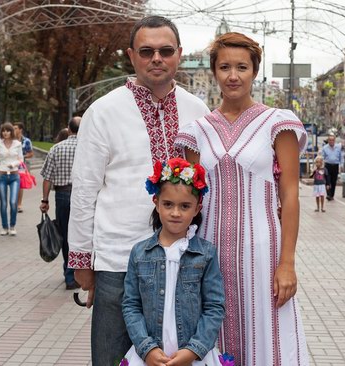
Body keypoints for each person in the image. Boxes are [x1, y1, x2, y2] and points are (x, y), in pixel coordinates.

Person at [67, 15, 210, 365]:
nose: (156, 58)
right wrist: (81, 260)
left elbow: (211, 184)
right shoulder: (103, 111)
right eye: (146, 51)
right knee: (112, 356)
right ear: (131, 56)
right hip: (119, 260)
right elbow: (84, 190)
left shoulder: (198, 112)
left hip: (184, 261)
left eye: (165, 50)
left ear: (179, 54)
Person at [175, 32, 309, 366]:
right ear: (214, 72)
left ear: (254, 71)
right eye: (224, 67)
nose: (233, 75)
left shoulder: (278, 124)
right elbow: (192, 201)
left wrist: (287, 263)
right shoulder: (197, 131)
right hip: (208, 249)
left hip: (263, 251)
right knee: (211, 331)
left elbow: (290, 194)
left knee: (267, 335)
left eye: (242, 67)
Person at [122, 158, 225, 366]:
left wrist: (193, 350)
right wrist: (147, 348)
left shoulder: (206, 254)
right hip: (150, 356)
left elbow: (214, 307)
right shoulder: (139, 253)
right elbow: (131, 305)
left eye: (185, 206)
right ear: (156, 203)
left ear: (197, 209)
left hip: (194, 356)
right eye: (168, 204)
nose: (175, 213)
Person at [40, 117, 81, 290]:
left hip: (62, 195)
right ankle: (82, 272)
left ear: (69, 129)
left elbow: (47, 178)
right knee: (82, 233)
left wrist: (45, 200)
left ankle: (69, 275)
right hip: (83, 196)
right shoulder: (89, 148)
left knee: (65, 234)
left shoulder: (56, 148)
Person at [0, 122, 23, 236]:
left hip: (14, 175)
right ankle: (5, 227)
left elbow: (21, 160)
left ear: (11, 132)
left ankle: (12, 225)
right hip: (2, 175)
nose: (5, 133)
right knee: (3, 203)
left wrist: (14, 164)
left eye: (8, 130)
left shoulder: (17, 144)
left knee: (13, 201)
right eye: (3, 131)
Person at [14, 122, 34, 213]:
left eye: (15, 128)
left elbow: (31, 154)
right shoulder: (10, 140)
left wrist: (22, 156)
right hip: (10, 165)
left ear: (20, 130)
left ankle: (19, 204)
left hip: (21, 166)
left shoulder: (26, 141)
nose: (14, 130)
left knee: (20, 185)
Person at [322, 134, 342, 200]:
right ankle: (328, 194)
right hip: (328, 165)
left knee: (333, 181)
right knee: (328, 180)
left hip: (335, 165)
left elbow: (340, 157)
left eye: (332, 140)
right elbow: (322, 157)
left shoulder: (338, 147)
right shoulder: (325, 148)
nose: (331, 141)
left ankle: (332, 195)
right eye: (330, 140)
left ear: (334, 141)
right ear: (328, 141)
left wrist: (341, 165)